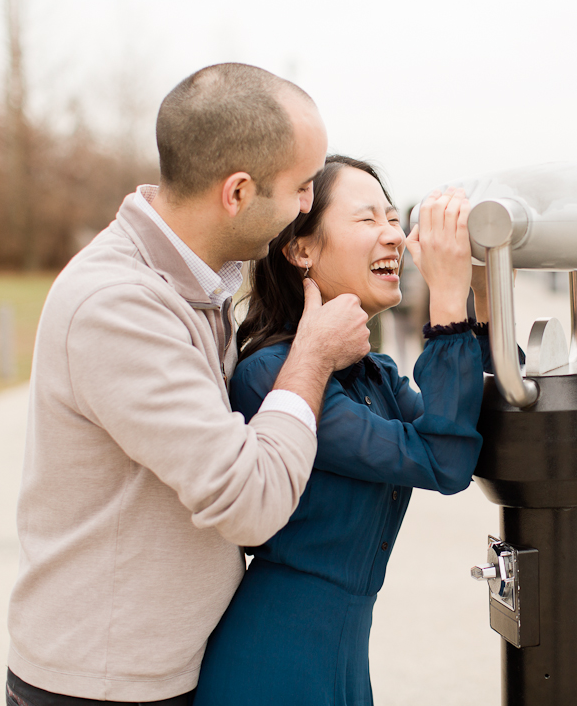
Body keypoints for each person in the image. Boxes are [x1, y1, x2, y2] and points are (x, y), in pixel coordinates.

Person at [6, 64, 372, 705]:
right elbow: (248, 501)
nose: (310, 205)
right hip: (104, 686)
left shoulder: (198, 281)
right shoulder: (119, 305)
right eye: (302, 186)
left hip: (169, 668)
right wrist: (310, 357)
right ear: (237, 192)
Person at [193, 156, 489, 705]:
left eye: (394, 218)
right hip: (274, 665)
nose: (394, 237)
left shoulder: (370, 373)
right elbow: (442, 462)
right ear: (301, 250)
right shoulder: (275, 379)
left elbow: (470, 426)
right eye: (366, 219)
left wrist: (485, 289)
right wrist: (446, 304)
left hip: (340, 663)